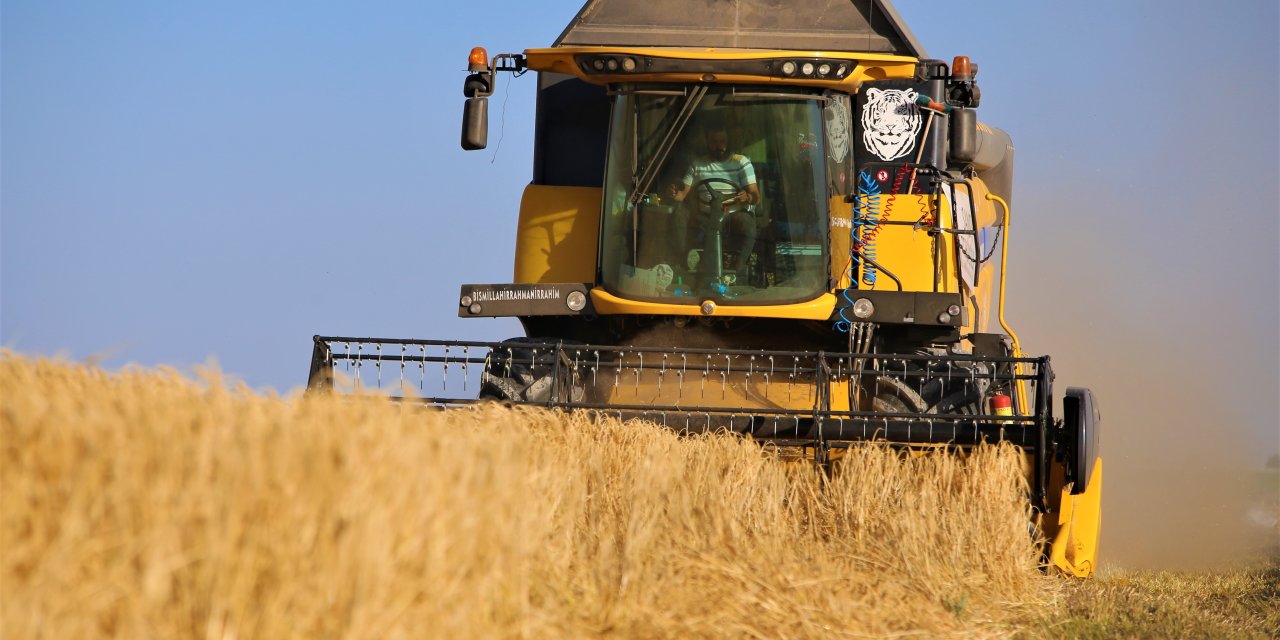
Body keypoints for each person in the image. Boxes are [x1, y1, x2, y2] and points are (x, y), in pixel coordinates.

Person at [668, 122, 761, 285]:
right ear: (706, 142)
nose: (719, 146)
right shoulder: (697, 165)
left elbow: (755, 196)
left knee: (748, 224)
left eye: (722, 141)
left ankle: (737, 272)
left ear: (728, 141)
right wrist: (674, 192)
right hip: (704, 217)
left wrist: (747, 197)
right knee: (679, 214)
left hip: (732, 216)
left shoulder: (741, 162)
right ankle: (683, 265)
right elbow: (681, 195)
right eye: (714, 142)